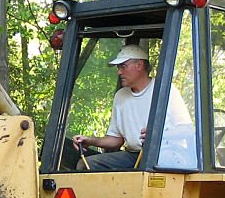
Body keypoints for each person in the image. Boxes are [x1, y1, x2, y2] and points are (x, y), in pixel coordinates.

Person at [72, 43, 195, 171]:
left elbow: (187, 130)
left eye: (123, 66)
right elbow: (116, 139)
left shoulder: (165, 90)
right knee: (86, 165)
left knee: (150, 167)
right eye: (118, 67)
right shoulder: (121, 96)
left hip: (166, 153)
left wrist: (157, 134)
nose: (119, 72)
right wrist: (90, 140)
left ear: (139, 65)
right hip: (134, 155)